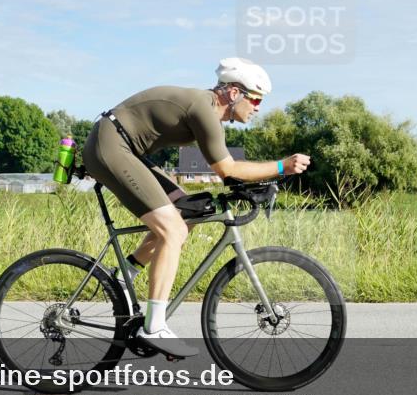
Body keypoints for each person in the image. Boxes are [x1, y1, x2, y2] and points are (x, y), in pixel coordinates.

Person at [82, 58, 311, 358]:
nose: (258, 107)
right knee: (172, 229)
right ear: (233, 94)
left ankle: (124, 277)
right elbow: (227, 169)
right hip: (110, 146)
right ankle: (154, 326)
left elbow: (228, 172)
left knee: (187, 212)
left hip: (126, 148)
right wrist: (282, 166)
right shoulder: (203, 109)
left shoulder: (208, 113)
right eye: (255, 99)